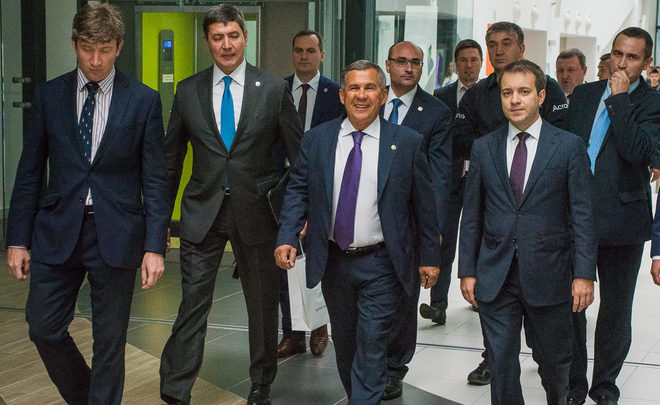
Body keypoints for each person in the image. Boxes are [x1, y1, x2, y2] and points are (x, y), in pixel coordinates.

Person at [5, 4, 169, 404]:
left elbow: (155, 179)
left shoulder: (143, 101)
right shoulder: (49, 96)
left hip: (117, 232)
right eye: (88, 49)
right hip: (57, 229)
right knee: (43, 326)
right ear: (74, 44)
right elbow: (30, 171)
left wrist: (154, 246)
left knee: (109, 341)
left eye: (105, 50)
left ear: (119, 47)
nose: (96, 60)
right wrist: (17, 239)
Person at [274, 60, 441, 405]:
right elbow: (298, 190)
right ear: (342, 95)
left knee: (372, 340)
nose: (361, 95)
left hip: (383, 261)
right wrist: (287, 235)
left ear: (382, 95)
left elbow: (424, 205)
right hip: (333, 261)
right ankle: (361, 396)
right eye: (354, 88)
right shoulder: (317, 140)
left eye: (369, 88)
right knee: (347, 342)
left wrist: (429, 257)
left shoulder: (406, 143)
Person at [159, 5, 302, 405]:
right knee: (192, 304)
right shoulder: (187, 90)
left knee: (262, 307)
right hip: (201, 212)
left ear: (245, 37)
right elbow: (170, 162)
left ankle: (261, 384)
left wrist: (294, 217)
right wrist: (159, 224)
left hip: (258, 214)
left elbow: (300, 161)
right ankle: (175, 389)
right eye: (218, 37)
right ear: (208, 42)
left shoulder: (273, 89)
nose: (226, 44)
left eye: (233, 35)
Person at [459, 59, 596, 405]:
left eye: (523, 92)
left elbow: (582, 216)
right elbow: (472, 214)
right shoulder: (484, 147)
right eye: (507, 93)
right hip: (496, 274)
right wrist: (467, 271)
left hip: (550, 274)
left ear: (541, 96)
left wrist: (584, 274)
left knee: (554, 364)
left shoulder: (568, 146)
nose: (515, 100)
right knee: (501, 364)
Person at [452, 20, 569, 386]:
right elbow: (462, 141)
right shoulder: (477, 95)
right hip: (497, 224)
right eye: (492, 44)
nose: (499, 49)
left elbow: (560, 141)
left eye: (506, 43)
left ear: (521, 48)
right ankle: (493, 361)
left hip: (543, 234)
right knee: (501, 348)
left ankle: (556, 374)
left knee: (550, 351)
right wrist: (498, 145)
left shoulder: (550, 90)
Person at [567, 27, 660, 405]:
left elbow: (638, 152)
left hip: (623, 221)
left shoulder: (652, 103)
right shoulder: (585, 94)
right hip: (575, 217)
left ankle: (604, 386)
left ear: (647, 62)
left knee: (615, 311)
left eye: (632, 57)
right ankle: (573, 385)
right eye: (617, 53)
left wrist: (620, 99)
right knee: (571, 306)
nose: (621, 63)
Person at [381, 40, 452, 400]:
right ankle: (368, 360)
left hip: (408, 222)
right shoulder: (369, 99)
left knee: (403, 300)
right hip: (363, 217)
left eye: (416, 62)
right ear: (388, 65)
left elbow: (439, 177)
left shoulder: (436, 112)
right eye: (401, 61)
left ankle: (395, 368)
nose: (408, 68)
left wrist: (432, 229)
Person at [277, 29, 342, 359]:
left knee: (317, 258)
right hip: (281, 186)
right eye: (299, 50)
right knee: (285, 260)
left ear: (321, 55)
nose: (304, 56)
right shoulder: (277, 89)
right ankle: (292, 334)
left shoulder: (336, 93)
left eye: (311, 51)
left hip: (320, 185)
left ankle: (319, 325)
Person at [422, 39, 483, 327]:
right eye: (463, 60)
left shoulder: (490, 93)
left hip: (481, 178)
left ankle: (479, 297)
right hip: (449, 178)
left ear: (481, 62)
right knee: (443, 240)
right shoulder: (441, 95)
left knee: (481, 238)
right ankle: (438, 305)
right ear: (455, 64)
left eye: (473, 60)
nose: (468, 65)